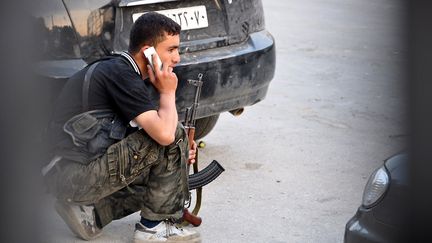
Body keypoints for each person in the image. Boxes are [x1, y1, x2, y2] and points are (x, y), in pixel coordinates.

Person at [43, 12, 201, 243]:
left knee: (170, 155)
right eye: (171, 49)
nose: (177, 58)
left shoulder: (130, 75)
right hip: (69, 175)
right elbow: (166, 135)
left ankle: (92, 213)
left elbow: (150, 140)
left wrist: (181, 150)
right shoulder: (121, 73)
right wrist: (168, 92)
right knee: (171, 135)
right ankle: (151, 229)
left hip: (75, 171)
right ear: (147, 50)